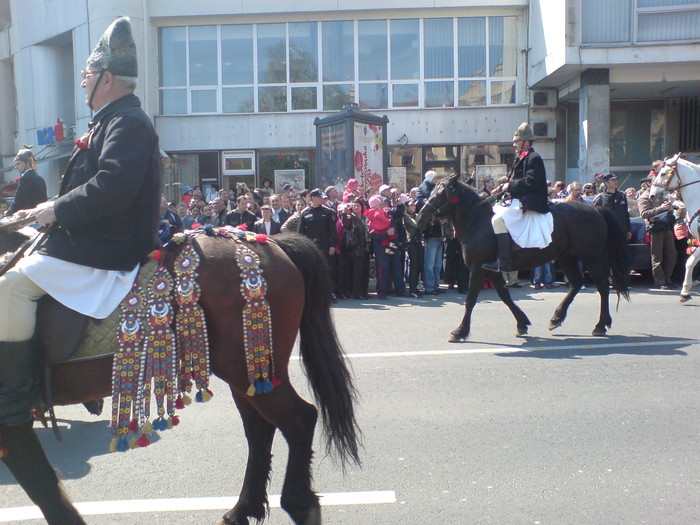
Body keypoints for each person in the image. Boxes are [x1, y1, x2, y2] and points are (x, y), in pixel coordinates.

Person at [0, 17, 161, 426]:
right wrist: (42, 208)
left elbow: (113, 186)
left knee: (10, 289)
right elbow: (93, 185)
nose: (82, 82)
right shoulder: (112, 120)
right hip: (91, 239)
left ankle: (16, 400)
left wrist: (56, 210)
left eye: (87, 74)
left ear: (106, 78)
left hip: (104, 248)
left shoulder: (127, 121)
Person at [483, 122, 549, 272]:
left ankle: (504, 261)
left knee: (497, 219)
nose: (514, 144)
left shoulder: (534, 158)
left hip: (528, 202)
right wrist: (501, 187)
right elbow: (513, 180)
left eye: (516, 141)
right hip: (517, 200)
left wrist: (510, 186)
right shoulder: (521, 158)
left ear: (525, 142)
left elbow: (532, 181)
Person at [637, 187, 677, 290]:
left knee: (672, 255)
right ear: (647, 184)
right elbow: (644, 214)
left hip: (666, 226)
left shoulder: (662, 195)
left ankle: (668, 279)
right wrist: (661, 208)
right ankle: (660, 281)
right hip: (655, 228)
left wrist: (670, 207)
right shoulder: (644, 197)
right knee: (657, 256)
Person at [6, 147, 48, 216]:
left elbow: (18, 201)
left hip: (27, 217)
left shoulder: (25, 179)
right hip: (40, 215)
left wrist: (7, 214)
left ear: (28, 163)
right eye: (15, 164)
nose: (16, 167)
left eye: (18, 163)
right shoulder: (40, 178)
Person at [592, 173, 631, 241]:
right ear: (606, 183)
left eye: (616, 180)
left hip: (621, 231)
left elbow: (626, 214)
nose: (616, 181)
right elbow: (595, 217)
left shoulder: (622, 196)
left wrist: (628, 230)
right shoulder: (600, 198)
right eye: (613, 180)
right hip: (607, 232)